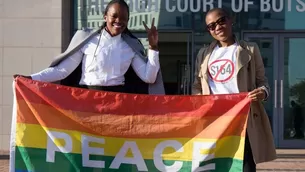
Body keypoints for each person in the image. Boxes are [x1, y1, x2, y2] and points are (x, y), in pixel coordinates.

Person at [14, 0, 164, 95]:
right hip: (87, 98)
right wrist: (31, 79)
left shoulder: (131, 45)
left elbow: (149, 78)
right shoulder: (86, 39)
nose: (119, 21)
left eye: (123, 18)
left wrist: (153, 47)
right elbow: (62, 71)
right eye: (114, 16)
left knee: (112, 144)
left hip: (117, 100)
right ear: (105, 17)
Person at [192, 8, 276, 171]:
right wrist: (199, 103)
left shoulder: (250, 49)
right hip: (215, 119)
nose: (217, 27)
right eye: (211, 26)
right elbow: (197, 85)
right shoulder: (203, 54)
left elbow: (262, 82)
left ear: (231, 21)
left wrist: (263, 92)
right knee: (216, 165)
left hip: (243, 118)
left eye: (221, 21)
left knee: (245, 165)